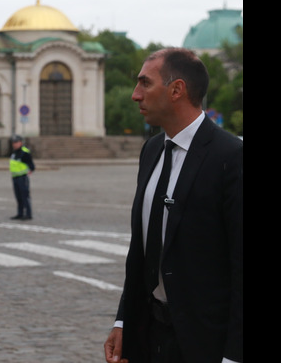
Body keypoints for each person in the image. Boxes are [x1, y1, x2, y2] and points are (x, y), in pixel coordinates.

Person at [104, 48, 243, 363]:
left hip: (204, 344)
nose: (135, 95)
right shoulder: (151, 150)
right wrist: (123, 320)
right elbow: (140, 252)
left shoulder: (230, 157)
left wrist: (234, 355)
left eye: (145, 84)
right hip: (149, 336)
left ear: (176, 90)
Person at [8, 134, 35, 220]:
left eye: (16, 142)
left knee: (25, 196)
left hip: (22, 177)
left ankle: (28, 214)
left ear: (20, 143)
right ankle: (20, 213)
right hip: (15, 177)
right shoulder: (14, 152)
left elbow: (31, 164)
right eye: (13, 143)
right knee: (18, 196)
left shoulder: (24, 152)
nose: (14, 144)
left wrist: (30, 170)